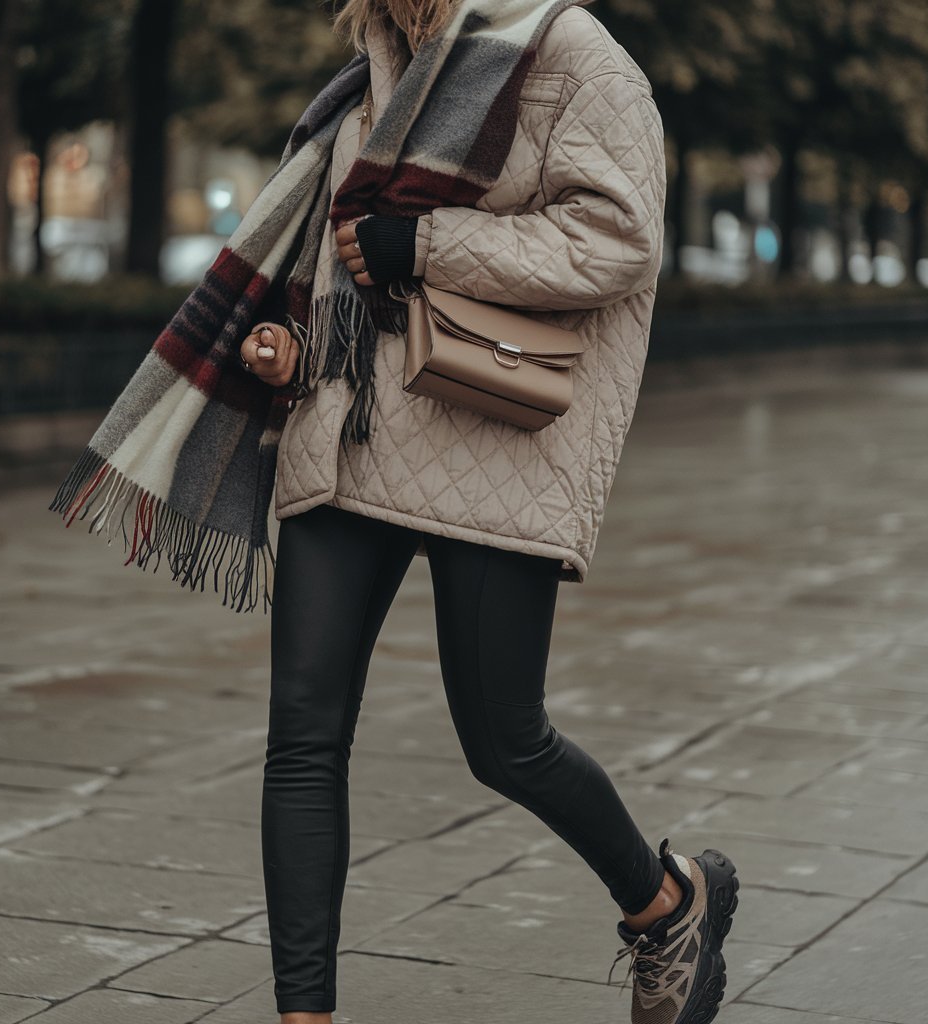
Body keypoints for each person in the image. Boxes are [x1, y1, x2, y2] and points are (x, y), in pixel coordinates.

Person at [239, 2, 739, 1023]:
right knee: (303, 732)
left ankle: (666, 903)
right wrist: (294, 339)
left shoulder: (574, 54)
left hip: (492, 433)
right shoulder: (374, 64)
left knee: (503, 740)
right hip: (348, 423)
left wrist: (424, 242)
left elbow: (616, 242)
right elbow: (339, 252)